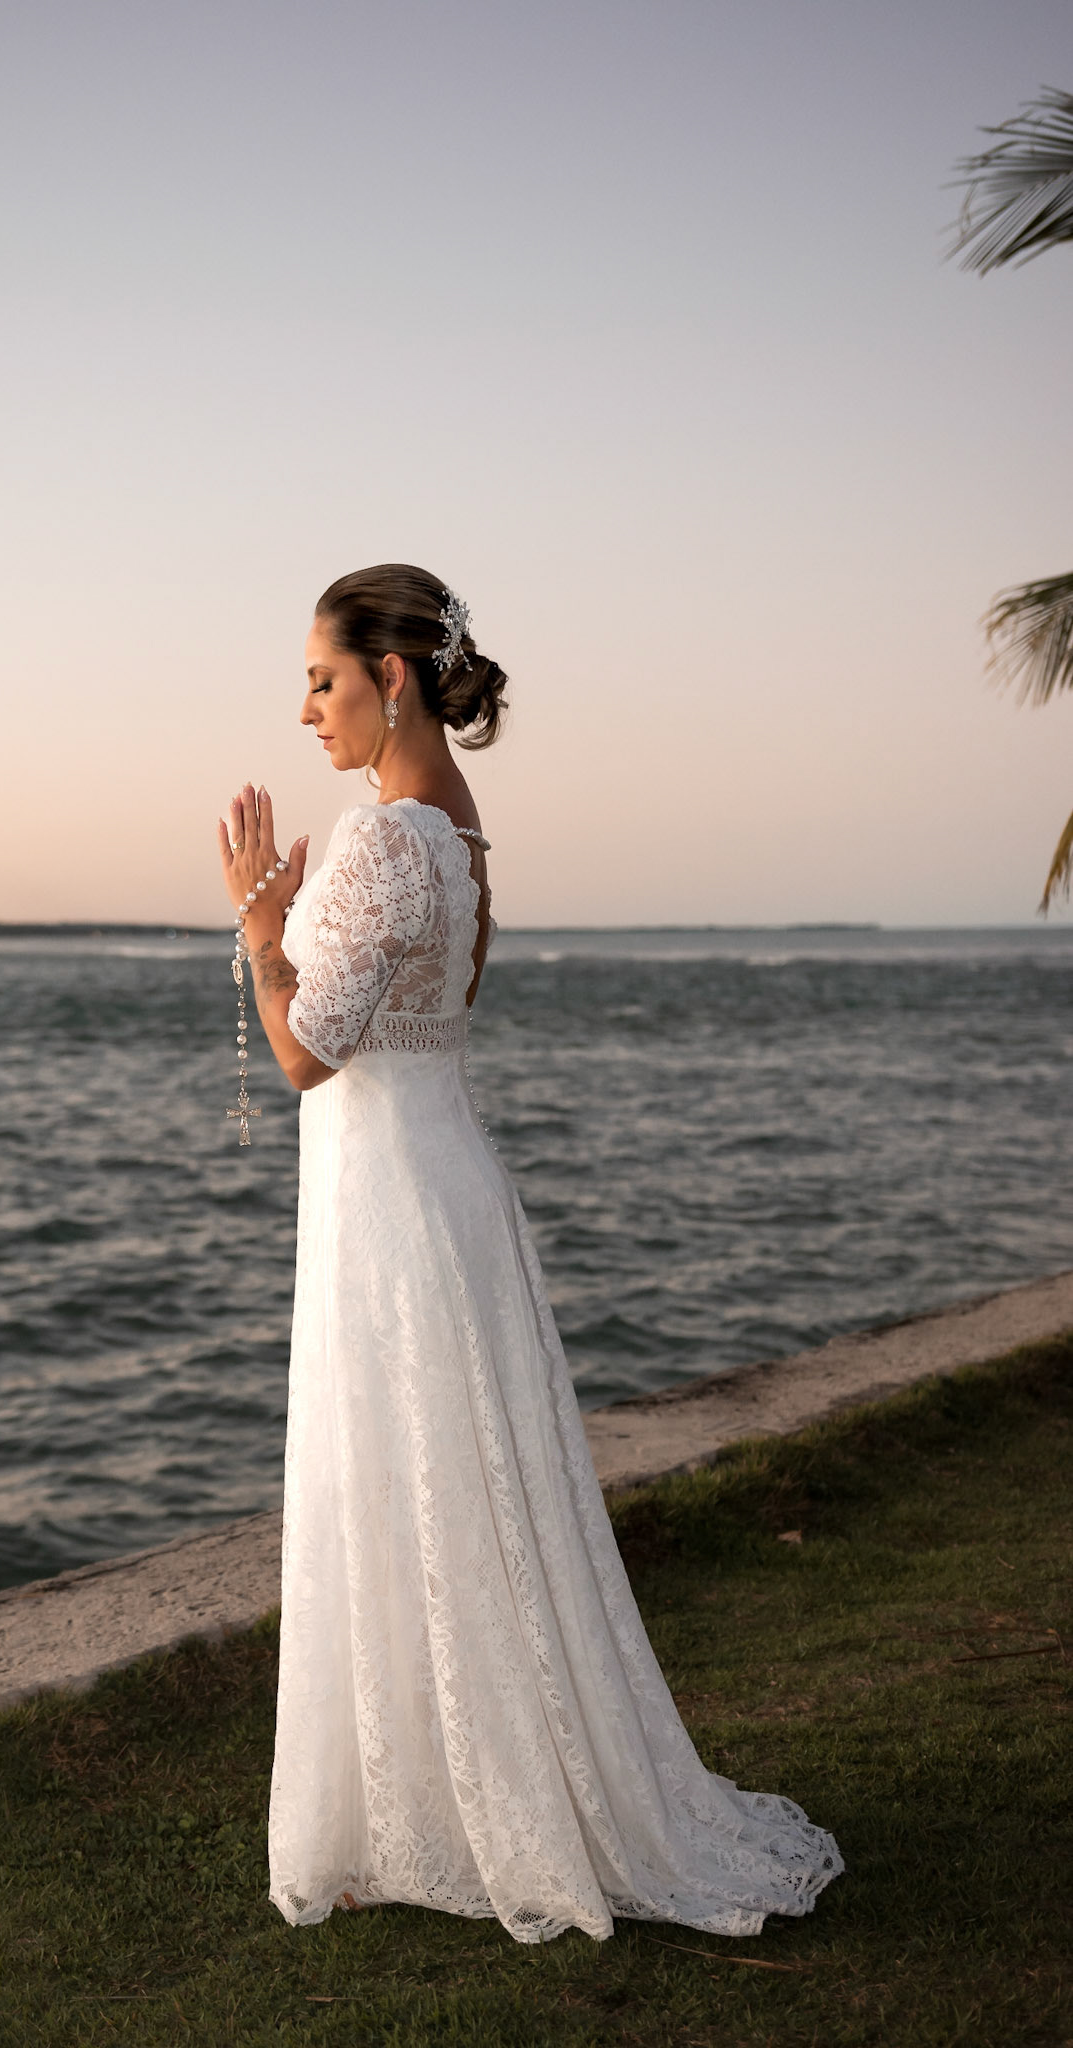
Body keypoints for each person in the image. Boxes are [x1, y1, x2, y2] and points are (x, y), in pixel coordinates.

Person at [216, 563, 843, 1944]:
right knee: (438, 1493)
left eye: (322, 678)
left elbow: (306, 1056)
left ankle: (444, 1812)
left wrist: (260, 934)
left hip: (396, 1202)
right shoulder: (445, 823)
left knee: (421, 1485)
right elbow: (427, 1010)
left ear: (392, 679)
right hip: (423, 1182)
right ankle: (416, 1804)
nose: (305, 708)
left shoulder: (387, 839)